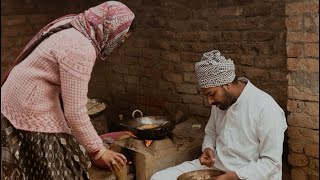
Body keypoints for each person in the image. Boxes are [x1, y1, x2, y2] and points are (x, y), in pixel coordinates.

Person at [1, 1, 135, 179]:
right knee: (59, 171)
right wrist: (98, 152)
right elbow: (75, 112)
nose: (120, 43)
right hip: (28, 107)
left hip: (14, 97)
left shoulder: (74, 24)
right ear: (111, 28)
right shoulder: (80, 48)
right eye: (122, 37)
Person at [151, 50, 288, 180]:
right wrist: (208, 148)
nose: (210, 101)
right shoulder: (221, 102)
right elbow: (211, 132)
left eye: (211, 94)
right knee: (158, 178)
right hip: (217, 167)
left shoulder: (266, 108)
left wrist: (234, 176)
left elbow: (271, 162)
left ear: (227, 84)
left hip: (247, 175)